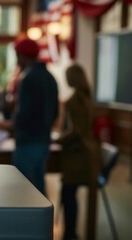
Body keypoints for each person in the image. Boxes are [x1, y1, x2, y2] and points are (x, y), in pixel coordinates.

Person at [0, 38, 58, 195]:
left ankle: (24, 221)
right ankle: (42, 220)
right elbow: (55, 112)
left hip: (27, 141)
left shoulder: (27, 78)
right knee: (39, 188)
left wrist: (8, 124)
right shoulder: (50, 77)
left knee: (22, 190)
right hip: (44, 140)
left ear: (22, 56)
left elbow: (24, 114)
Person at [56, 64, 101, 240]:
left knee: (68, 193)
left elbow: (76, 131)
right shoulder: (87, 98)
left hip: (77, 154)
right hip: (88, 151)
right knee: (70, 193)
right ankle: (71, 232)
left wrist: (58, 140)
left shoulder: (74, 100)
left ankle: (70, 234)